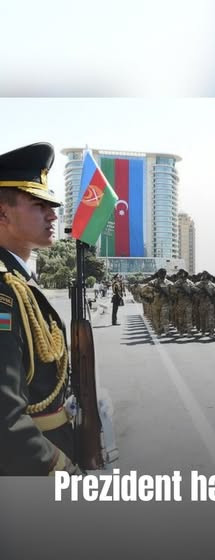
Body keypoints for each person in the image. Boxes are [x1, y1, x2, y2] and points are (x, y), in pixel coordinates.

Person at [0, 142, 80, 475]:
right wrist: (60, 468)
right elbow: (6, 420)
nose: (52, 214)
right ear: (3, 213)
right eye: (39, 204)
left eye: (52, 205)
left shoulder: (19, 281)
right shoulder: (5, 290)